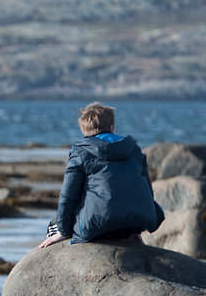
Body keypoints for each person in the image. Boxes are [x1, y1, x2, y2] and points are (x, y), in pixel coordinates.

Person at [39, 102, 164, 249]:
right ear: (112, 128)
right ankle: (132, 234)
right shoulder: (134, 150)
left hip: (99, 227)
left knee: (54, 225)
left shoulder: (82, 151)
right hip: (136, 224)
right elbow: (147, 190)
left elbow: (68, 196)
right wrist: (137, 229)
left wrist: (64, 231)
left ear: (84, 131)